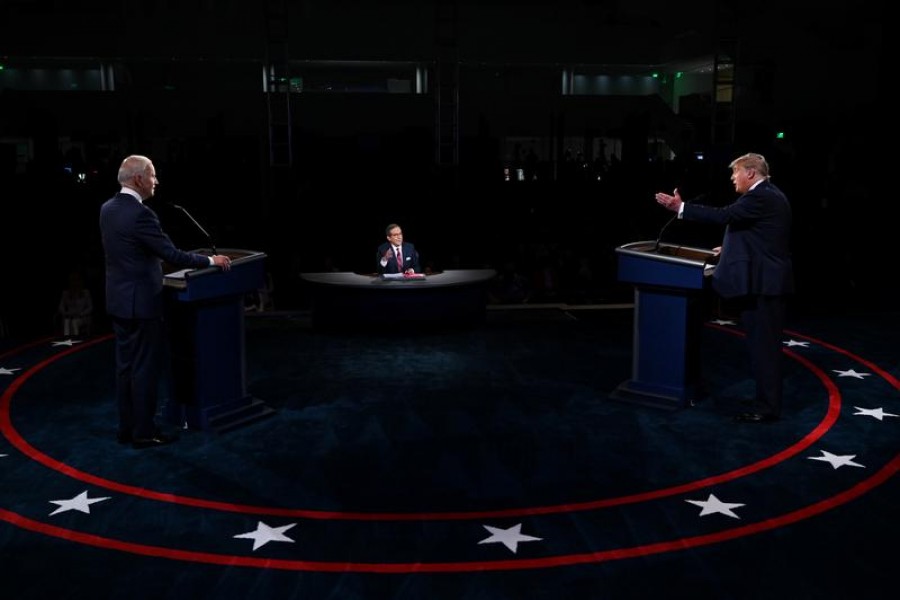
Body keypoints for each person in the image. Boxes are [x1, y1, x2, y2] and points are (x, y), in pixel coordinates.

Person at [99, 154, 232, 449]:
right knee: (144, 369)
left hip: (118, 301)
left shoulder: (107, 209)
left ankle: (127, 428)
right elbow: (172, 255)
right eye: (153, 175)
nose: (156, 181)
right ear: (138, 179)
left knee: (125, 368)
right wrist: (211, 259)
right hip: (143, 303)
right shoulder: (142, 214)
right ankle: (144, 433)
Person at [654, 152, 794, 424]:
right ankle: (764, 399)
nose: (732, 178)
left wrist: (681, 208)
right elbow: (759, 236)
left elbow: (725, 216)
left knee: (764, 348)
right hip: (765, 282)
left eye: (735, 173)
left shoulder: (761, 196)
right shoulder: (770, 194)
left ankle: (767, 408)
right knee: (760, 346)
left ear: (750, 173)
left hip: (765, 285)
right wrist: (728, 248)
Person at [57, 270, 93, 336]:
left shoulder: (85, 293)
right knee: (67, 322)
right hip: (69, 316)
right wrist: (66, 313)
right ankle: (67, 339)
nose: (74, 282)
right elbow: (61, 307)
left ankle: (76, 340)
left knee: (74, 322)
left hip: (81, 316)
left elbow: (90, 307)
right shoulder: (66, 293)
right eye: (72, 280)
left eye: (76, 280)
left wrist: (81, 313)